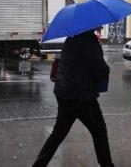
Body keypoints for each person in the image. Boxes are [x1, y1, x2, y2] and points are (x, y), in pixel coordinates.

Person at [33, 29, 114, 167]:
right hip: (81, 95)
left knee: (58, 134)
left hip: (64, 92)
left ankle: (38, 165)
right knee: (99, 130)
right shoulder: (89, 40)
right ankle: (107, 165)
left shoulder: (72, 38)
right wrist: (106, 68)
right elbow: (99, 68)